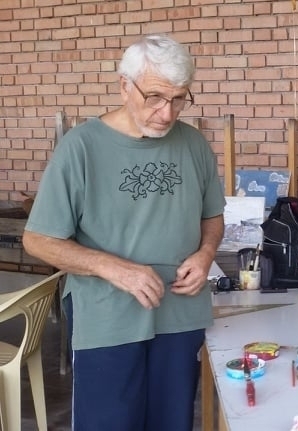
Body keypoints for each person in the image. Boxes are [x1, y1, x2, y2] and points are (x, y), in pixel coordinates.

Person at [23, 34, 226, 431]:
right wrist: (113, 268)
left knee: (172, 423)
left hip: (180, 314)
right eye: (155, 97)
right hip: (106, 318)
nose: (166, 113)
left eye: (178, 99)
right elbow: (38, 239)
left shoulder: (194, 144)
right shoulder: (81, 147)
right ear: (124, 85)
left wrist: (205, 254)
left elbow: (212, 216)